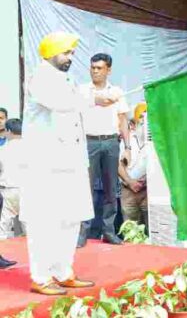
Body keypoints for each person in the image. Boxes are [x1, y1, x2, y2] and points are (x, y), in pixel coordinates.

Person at [22, 31, 117, 295]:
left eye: (73, 53)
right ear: (51, 52)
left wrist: (92, 100)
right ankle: (41, 277)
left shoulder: (66, 78)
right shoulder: (39, 76)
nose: (71, 58)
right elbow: (60, 103)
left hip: (69, 161)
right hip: (45, 164)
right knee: (45, 222)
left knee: (69, 220)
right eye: (66, 52)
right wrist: (94, 99)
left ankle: (63, 272)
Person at [78, 53, 129, 247]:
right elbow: (75, 107)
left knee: (110, 189)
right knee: (85, 190)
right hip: (88, 142)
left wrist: (128, 147)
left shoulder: (117, 92)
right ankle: (82, 233)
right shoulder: (82, 90)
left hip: (110, 142)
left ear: (109, 70)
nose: (95, 71)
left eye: (99, 68)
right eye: (93, 67)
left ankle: (109, 232)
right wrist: (98, 98)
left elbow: (123, 120)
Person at [118, 103, 149, 230]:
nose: (145, 122)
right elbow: (118, 164)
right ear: (133, 124)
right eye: (141, 119)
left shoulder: (153, 140)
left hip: (148, 191)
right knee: (131, 231)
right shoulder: (127, 141)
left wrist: (146, 181)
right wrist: (130, 182)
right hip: (128, 192)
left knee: (151, 230)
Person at [0, 119, 26, 239]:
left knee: (3, 227)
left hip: (8, 190)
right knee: (29, 228)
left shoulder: (3, 150)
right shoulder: (33, 149)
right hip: (28, 190)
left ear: (9, 131)